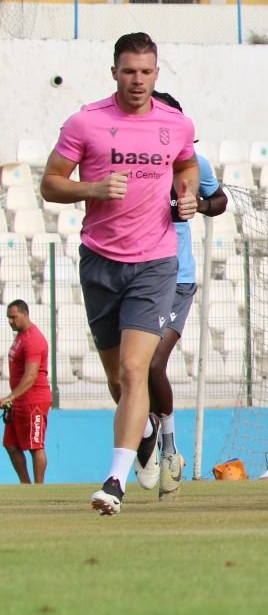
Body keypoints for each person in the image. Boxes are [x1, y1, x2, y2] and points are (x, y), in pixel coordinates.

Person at [42, 32, 198, 515]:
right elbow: (50, 184)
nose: (137, 80)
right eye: (129, 71)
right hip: (100, 262)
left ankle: (114, 482)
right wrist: (92, 188)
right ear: (114, 72)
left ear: (157, 73)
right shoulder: (85, 122)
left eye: (146, 72)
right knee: (117, 377)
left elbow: (187, 168)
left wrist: (187, 196)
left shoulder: (176, 124)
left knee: (135, 369)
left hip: (155, 263)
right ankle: (144, 431)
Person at [133, 90, 227, 500]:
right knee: (130, 368)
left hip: (177, 280)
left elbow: (219, 200)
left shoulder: (194, 164)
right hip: (139, 276)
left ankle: (169, 447)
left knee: (154, 362)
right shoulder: (136, 164)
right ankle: (147, 429)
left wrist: (199, 205)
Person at [4, 299, 50, 484]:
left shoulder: (33, 339)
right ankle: (26, 485)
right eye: (8, 318)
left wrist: (10, 396)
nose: (10, 321)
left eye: (13, 317)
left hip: (34, 400)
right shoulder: (21, 336)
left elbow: (31, 376)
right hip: (19, 401)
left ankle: (38, 489)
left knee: (35, 445)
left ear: (25, 314)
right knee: (10, 444)